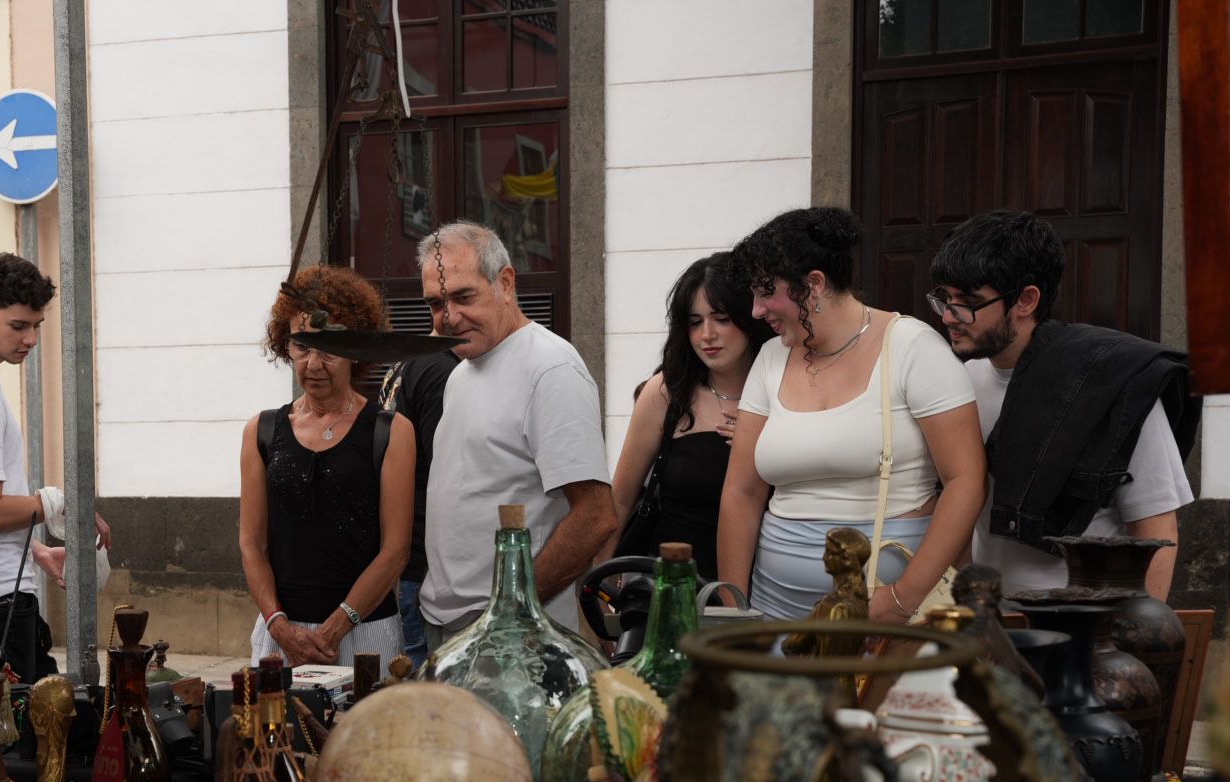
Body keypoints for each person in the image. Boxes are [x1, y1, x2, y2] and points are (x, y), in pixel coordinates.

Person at [716, 207, 985, 622]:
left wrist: (901, 598)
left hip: (888, 613)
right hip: (775, 611)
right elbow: (742, 492)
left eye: (766, 291)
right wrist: (735, 612)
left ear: (814, 284)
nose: (755, 310)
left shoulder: (913, 347)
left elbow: (964, 480)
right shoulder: (771, 358)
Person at [929, 209, 1196, 600]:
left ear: (1026, 300)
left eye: (968, 302)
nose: (950, 316)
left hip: (1089, 633)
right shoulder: (958, 384)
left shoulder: (1113, 384)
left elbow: (1156, 528)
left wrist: (1138, 640)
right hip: (995, 629)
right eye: (945, 298)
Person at [416, 221, 615, 643]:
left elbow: (596, 516)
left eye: (463, 296)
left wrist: (509, 610)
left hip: (511, 632)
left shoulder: (550, 367)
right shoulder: (461, 371)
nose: (448, 318)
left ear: (505, 283)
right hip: (448, 619)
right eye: (435, 303)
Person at [0, 253, 111, 682]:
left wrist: (36, 551)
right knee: (22, 736)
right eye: (18, 326)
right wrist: (62, 503)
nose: (30, 339)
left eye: (36, 326)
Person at [238, 265, 415, 667]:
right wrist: (279, 626)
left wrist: (335, 627)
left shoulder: (391, 431)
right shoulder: (261, 431)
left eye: (330, 348)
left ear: (356, 350)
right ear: (286, 345)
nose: (314, 364)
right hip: (281, 633)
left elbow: (395, 551)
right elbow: (252, 543)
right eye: (303, 346)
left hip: (365, 633)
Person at [601, 252, 773, 579]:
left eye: (721, 318)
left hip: (770, 591)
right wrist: (594, 591)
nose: (707, 334)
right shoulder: (664, 393)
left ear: (749, 316)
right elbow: (620, 501)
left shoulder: (786, 390)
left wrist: (769, 443)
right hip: (674, 590)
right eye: (695, 322)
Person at [383, 347, 459, 669]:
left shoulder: (405, 363)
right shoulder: (442, 372)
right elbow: (446, 474)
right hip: (423, 566)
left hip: (406, 563)